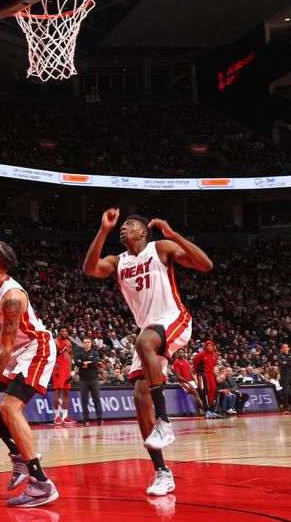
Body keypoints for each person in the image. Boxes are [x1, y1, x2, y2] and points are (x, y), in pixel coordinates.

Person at [83, 209, 212, 497]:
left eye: (129, 225)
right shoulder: (119, 261)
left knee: (143, 341)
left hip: (173, 319)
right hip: (149, 334)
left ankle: (164, 420)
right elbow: (90, 268)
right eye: (122, 226)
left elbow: (205, 265)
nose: (123, 228)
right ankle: (162, 472)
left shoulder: (160, 248)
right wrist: (104, 230)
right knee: (140, 397)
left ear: (143, 231)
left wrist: (174, 235)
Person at [0, 240, 59, 507]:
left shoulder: (13, 296)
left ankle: (42, 484)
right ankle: (19, 454)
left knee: (7, 407)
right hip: (14, 350)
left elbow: (5, 350)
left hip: (35, 348)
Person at [74, 337, 102, 425]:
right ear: (83, 343)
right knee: (84, 400)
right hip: (83, 380)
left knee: (96, 399)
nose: (86, 344)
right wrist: (86, 363)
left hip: (94, 379)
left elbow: (94, 364)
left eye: (88, 342)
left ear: (91, 343)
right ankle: (86, 419)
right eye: (85, 342)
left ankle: (99, 418)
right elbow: (77, 363)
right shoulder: (79, 353)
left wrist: (83, 364)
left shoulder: (95, 353)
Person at [52, 327, 75, 425]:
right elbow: (51, 355)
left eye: (65, 331)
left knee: (66, 392)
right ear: (59, 332)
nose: (64, 332)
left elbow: (70, 356)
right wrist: (54, 365)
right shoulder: (55, 342)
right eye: (62, 331)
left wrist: (70, 370)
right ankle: (56, 416)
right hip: (58, 368)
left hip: (66, 369)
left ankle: (65, 416)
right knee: (58, 391)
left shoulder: (69, 343)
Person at [172, 348, 204, 415]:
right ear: (177, 354)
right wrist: (188, 382)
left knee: (200, 392)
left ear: (184, 353)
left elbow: (190, 372)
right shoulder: (176, 362)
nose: (181, 353)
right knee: (195, 393)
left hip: (190, 380)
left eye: (182, 352)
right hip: (182, 381)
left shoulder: (186, 361)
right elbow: (178, 375)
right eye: (179, 352)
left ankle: (201, 410)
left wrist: (195, 380)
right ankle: (204, 409)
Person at [192, 341, 219, 417]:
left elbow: (214, 365)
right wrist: (199, 374)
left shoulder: (215, 355)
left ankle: (212, 410)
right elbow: (195, 365)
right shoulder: (200, 355)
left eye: (211, 346)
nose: (209, 347)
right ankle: (206, 411)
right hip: (202, 375)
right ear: (205, 346)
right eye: (208, 346)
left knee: (215, 391)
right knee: (204, 391)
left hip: (211, 374)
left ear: (213, 346)